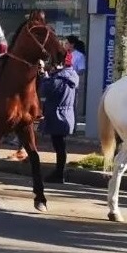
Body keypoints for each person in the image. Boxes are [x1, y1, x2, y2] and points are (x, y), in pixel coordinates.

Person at [40, 52, 79, 184]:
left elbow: (44, 90)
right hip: (66, 115)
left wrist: (44, 75)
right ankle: (59, 172)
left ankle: (59, 173)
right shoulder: (72, 76)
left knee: (59, 146)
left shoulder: (59, 79)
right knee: (60, 145)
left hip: (58, 115)